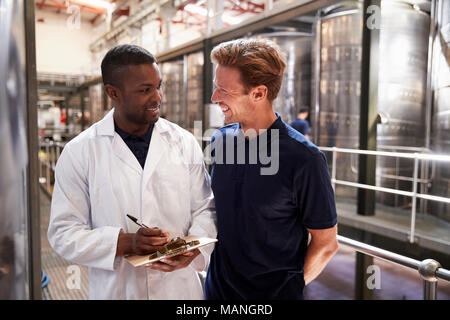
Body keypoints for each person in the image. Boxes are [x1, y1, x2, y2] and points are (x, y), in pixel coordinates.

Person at [47, 45, 216, 299]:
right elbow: (63, 233)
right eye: (145, 90)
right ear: (113, 92)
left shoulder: (184, 142)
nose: (157, 97)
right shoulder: (80, 152)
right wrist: (125, 243)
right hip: (118, 290)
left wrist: (193, 248)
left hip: (179, 290)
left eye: (159, 86)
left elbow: (206, 208)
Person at [204, 39, 338, 300]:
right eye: (215, 88)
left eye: (223, 90)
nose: (214, 98)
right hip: (216, 294)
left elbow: (326, 244)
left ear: (258, 93)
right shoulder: (219, 141)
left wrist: (290, 291)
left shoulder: (304, 159)